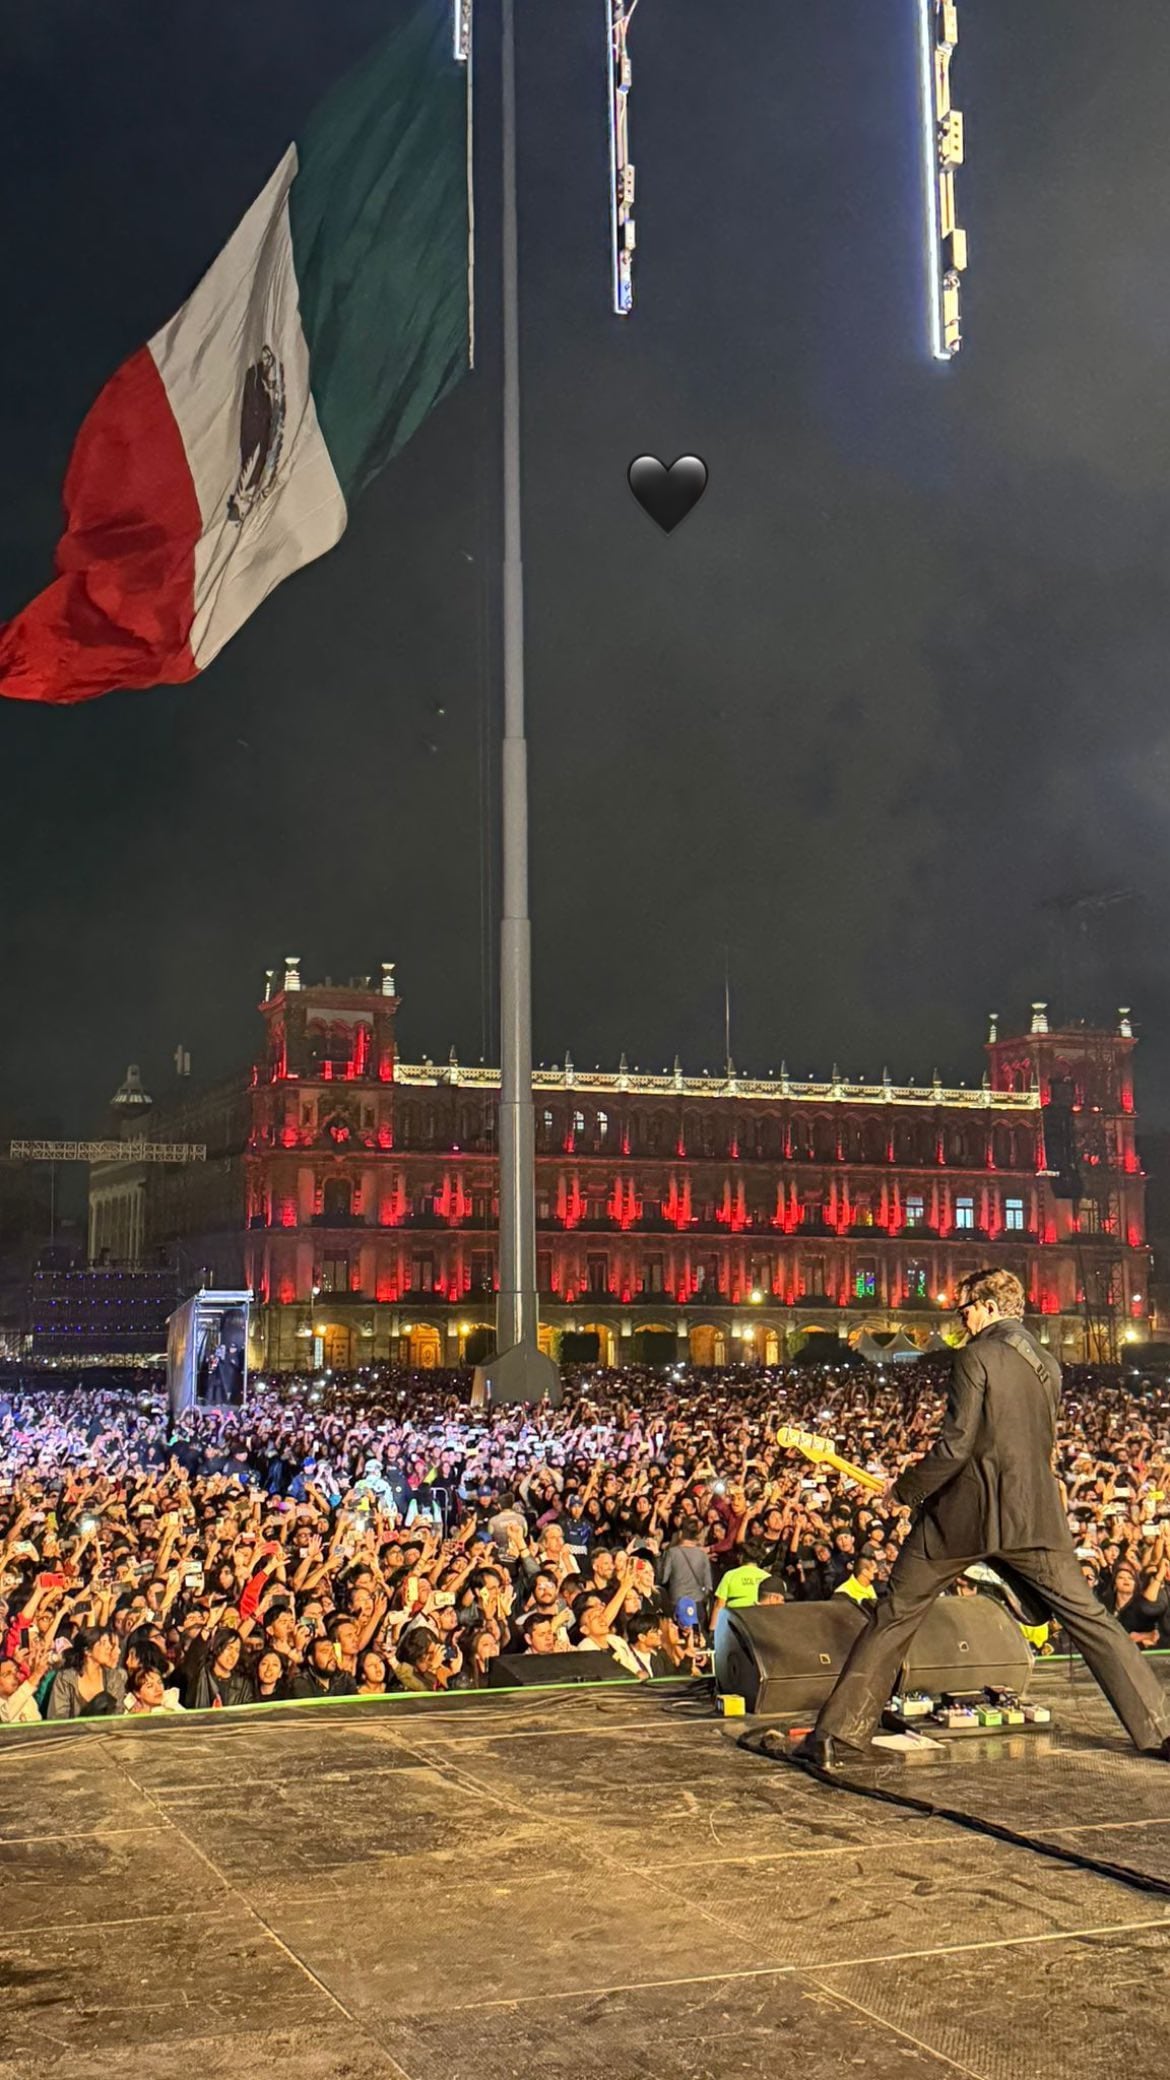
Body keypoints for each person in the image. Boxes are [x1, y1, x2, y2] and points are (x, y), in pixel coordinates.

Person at [797, 1269, 1170, 1768]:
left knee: (895, 1614)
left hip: (962, 1517)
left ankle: (838, 1737)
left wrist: (906, 1491)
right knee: (1092, 1619)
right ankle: (1159, 1731)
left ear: (991, 1306)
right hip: (1034, 1514)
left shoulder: (975, 1356)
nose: (961, 1318)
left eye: (966, 1307)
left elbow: (956, 1446)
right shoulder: (1048, 1364)